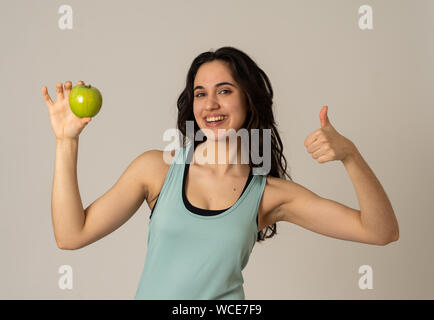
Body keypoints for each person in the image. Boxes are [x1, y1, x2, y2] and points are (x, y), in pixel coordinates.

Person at [41, 46, 399, 300]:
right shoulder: (156, 169)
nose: (210, 104)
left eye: (224, 91)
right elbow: (71, 235)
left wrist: (351, 156)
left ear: (248, 100)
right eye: (200, 94)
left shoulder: (270, 194)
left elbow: (380, 231)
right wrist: (66, 142)